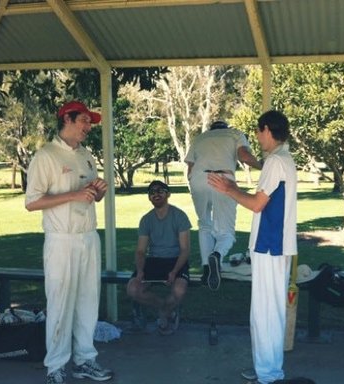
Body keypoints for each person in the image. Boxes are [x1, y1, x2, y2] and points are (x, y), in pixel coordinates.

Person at [25, 100, 112, 384]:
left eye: (90, 122)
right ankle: (56, 367)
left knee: (88, 302)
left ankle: (86, 360)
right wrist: (73, 195)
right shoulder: (46, 156)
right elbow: (32, 202)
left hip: (89, 238)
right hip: (61, 241)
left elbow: (88, 196)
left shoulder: (86, 155)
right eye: (85, 120)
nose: (89, 127)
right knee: (61, 303)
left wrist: (96, 192)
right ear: (68, 119)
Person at [208, 110, 297, 384]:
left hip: (269, 246)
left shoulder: (275, 162)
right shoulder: (283, 159)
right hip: (274, 246)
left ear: (267, 130)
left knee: (265, 313)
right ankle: (268, 369)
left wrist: (228, 190)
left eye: (259, 132)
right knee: (269, 312)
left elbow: (257, 204)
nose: (257, 138)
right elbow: (263, 200)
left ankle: (268, 374)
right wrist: (234, 187)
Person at [184, 120, 261, 291]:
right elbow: (244, 156)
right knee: (226, 232)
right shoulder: (235, 134)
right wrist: (263, 165)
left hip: (198, 179)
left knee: (204, 224)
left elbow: (190, 167)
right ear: (226, 127)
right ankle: (217, 256)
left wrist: (195, 182)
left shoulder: (200, 138)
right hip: (223, 178)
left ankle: (206, 269)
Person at [126, 180, 192, 336]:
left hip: (176, 259)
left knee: (179, 290)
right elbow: (141, 251)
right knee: (133, 288)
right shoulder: (146, 219)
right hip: (154, 260)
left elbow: (185, 249)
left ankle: (163, 315)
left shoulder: (180, 216)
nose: (156, 194)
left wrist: (174, 272)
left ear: (168, 194)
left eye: (160, 191)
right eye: (152, 192)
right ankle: (165, 309)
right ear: (149, 197)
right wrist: (140, 271)